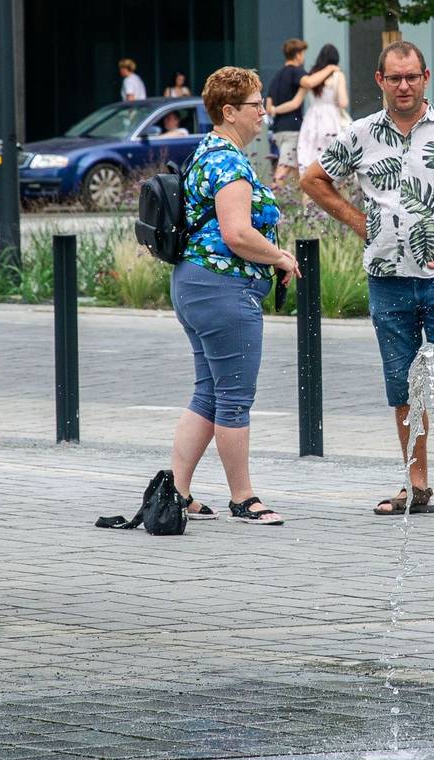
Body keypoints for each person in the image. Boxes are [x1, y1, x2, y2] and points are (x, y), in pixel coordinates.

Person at [301, 42, 434, 521]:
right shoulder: (361, 133)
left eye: (411, 77)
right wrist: (357, 220)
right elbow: (312, 179)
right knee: (402, 385)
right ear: (380, 80)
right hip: (387, 278)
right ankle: (416, 486)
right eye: (395, 78)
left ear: (426, 76)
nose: (404, 86)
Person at [169, 66, 301, 526]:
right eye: (255, 105)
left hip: (195, 284)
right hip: (224, 288)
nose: (263, 112)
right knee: (233, 397)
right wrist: (281, 258)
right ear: (229, 111)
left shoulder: (207, 151)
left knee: (208, 391)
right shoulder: (228, 161)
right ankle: (243, 498)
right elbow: (238, 233)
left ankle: (177, 492)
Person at [295, 44, 350, 175]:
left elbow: (297, 100)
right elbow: (343, 102)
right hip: (331, 118)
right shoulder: (337, 74)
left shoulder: (311, 75)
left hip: (311, 118)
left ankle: (309, 189)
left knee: (310, 154)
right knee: (334, 155)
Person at [264, 39, 311, 191]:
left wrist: (275, 110)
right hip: (292, 129)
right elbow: (296, 102)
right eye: (303, 53)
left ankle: (302, 206)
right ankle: (270, 202)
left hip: (278, 130)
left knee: (299, 169)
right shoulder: (297, 72)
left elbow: (268, 107)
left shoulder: (276, 77)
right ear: (298, 55)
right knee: (284, 168)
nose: (303, 57)